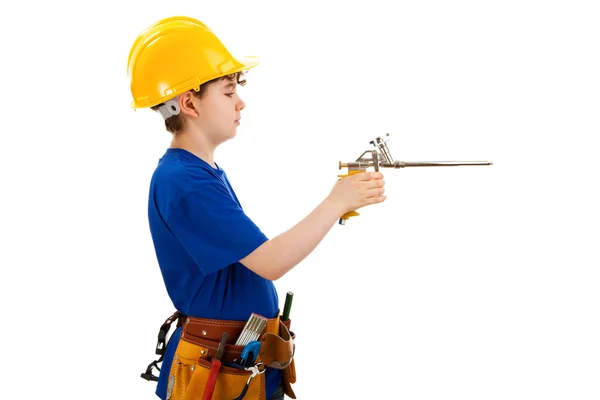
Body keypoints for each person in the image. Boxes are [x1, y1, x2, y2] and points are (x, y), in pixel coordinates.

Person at [127, 16, 386, 400]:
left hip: (236, 365)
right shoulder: (185, 182)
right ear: (189, 103)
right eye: (229, 92)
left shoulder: (202, 172)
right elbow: (270, 261)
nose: (240, 102)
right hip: (216, 374)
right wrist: (337, 202)